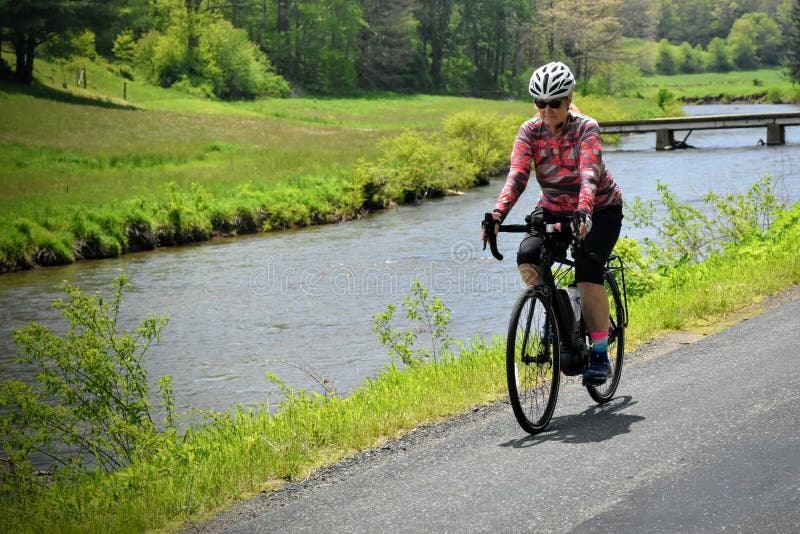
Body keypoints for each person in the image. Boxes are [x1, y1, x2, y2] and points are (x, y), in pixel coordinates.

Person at [483, 61, 623, 385]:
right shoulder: (529, 131)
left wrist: (584, 212)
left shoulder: (586, 128)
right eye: (540, 103)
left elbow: (590, 174)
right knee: (528, 258)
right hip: (552, 208)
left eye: (554, 103)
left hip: (599, 209)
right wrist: (497, 215)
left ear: (569, 99)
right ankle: (562, 321)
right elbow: (517, 176)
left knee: (588, 272)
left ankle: (599, 354)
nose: (546, 110)